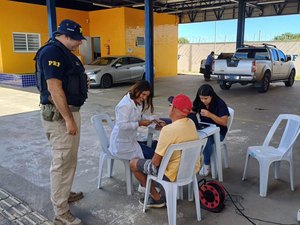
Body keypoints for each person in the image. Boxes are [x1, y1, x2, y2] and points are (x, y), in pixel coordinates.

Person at [35, 19, 88, 225]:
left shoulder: (64, 53)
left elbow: (68, 82)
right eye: (76, 39)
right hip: (60, 117)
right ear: (64, 36)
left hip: (69, 113)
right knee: (62, 162)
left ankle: (64, 195)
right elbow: (54, 89)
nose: (79, 43)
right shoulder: (52, 52)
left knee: (68, 160)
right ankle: (61, 212)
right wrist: (68, 120)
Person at [130, 94, 200, 208]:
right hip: (190, 170)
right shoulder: (191, 124)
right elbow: (177, 129)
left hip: (172, 174)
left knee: (134, 163)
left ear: (174, 109)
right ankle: (152, 187)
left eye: (170, 105)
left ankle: (156, 198)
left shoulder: (168, 130)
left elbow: (155, 163)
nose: (169, 107)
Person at [109, 80, 163, 160]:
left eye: (146, 96)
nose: (144, 98)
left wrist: (153, 120)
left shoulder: (135, 102)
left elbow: (138, 116)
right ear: (137, 90)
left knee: (154, 145)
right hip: (121, 145)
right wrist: (139, 124)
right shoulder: (125, 105)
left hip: (130, 140)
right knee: (151, 155)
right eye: (143, 94)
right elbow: (122, 125)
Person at [190, 84, 229, 176]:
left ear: (211, 96)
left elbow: (224, 122)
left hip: (219, 132)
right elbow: (192, 112)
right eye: (201, 98)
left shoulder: (220, 104)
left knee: (206, 140)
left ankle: (206, 164)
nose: (203, 101)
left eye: (206, 98)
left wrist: (210, 114)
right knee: (192, 137)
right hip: (205, 128)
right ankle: (194, 163)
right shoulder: (199, 102)